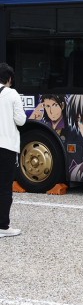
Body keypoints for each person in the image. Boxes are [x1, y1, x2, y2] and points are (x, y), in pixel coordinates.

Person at [0, 63, 26, 237]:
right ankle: (3, 226)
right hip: (6, 147)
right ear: (9, 79)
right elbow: (21, 121)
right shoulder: (12, 94)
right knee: (4, 187)